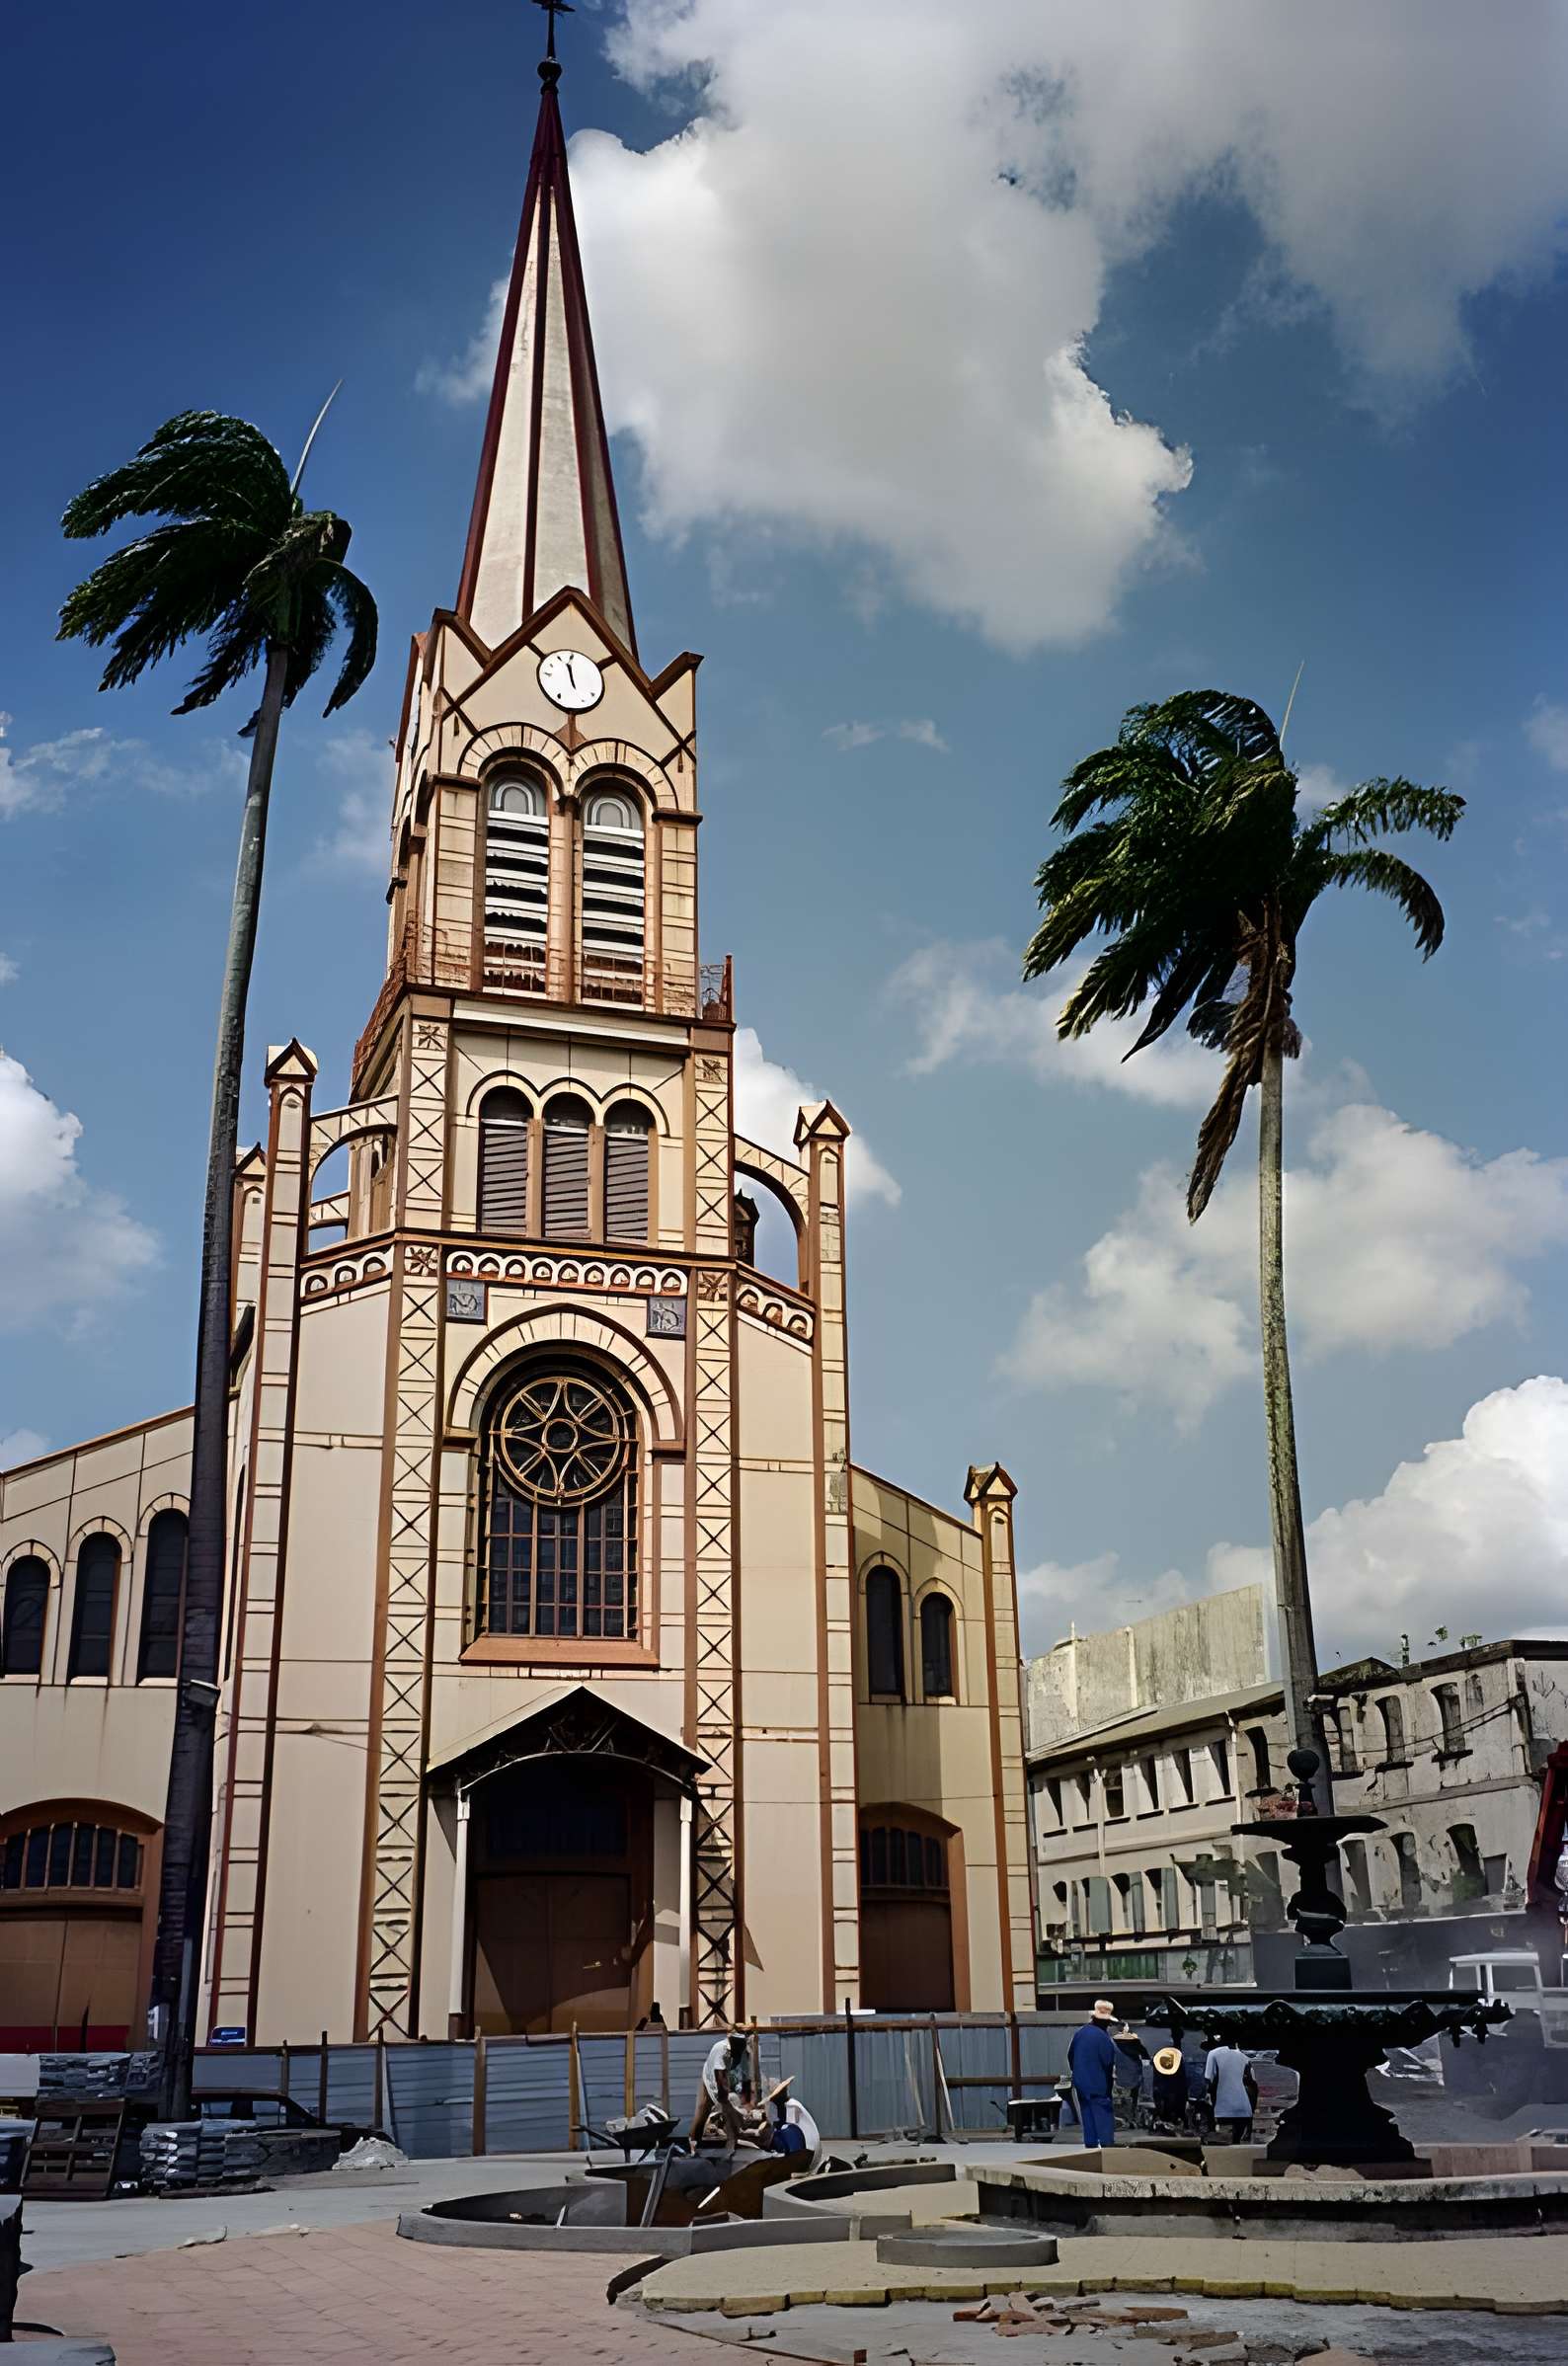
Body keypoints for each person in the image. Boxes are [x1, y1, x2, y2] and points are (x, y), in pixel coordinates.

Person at [1066, 1999, 1120, 2149]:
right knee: (1103, 2116)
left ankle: (1090, 2147)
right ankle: (1107, 2147)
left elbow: (1070, 2056)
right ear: (1106, 2022)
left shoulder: (1080, 2033)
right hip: (1098, 2084)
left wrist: (1078, 2073)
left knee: (1087, 2115)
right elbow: (1108, 2063)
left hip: (1081, 2083)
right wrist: (1110, 2085)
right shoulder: (1103, 2038)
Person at [690, 2027, 751, 2148]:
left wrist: (747, 2103)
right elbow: (720, 2076)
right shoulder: (721, 2049)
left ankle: (734, 2141)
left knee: (732, 2111)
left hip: (726, 2077)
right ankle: (693, 2142)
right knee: (703, 2110)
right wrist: (724, 2101)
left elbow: (746, 2076)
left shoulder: (743, 2050)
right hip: (710, 2078)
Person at [1205, 2039, 1255, 2143]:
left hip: (1221, 2107)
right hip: (1242, 2107)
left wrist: (1208, 2093)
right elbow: (1251, 2080)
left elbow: (1208, 2078)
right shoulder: (1244, 2057)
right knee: (1236, 2139)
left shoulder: (1213, 2053)